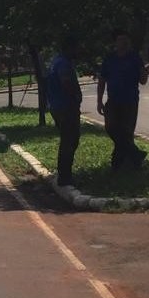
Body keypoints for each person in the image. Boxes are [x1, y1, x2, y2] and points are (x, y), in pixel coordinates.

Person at [96, 29, 149, 170]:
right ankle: (135, 154)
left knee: (126, 132)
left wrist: (146, 72)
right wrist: (99, 100)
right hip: (113, 100)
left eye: (126, 39)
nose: (124, 42)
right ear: (115, 42)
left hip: (130, 101)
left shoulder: (134, 58)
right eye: (121, 39)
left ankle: (120, 164)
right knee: (111, 128)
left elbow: (143, 81)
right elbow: (102, 80)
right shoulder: (110, 58)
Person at [46, 36, 83, 186]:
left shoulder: (56, 61)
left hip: (57, 106)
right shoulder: (63, 64)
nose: (78, 51)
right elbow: (66, 82)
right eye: (76, 48)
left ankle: (65, 174)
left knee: (69, 139)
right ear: (69, 48)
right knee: (70, 140)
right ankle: (65, 176)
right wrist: (75, 96)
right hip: (66, 106)